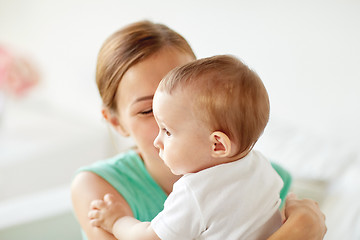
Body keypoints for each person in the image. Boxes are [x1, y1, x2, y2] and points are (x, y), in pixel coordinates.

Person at [71, 20, 327, 240]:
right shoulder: (97, 189)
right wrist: (301, 230)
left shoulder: (269, 176)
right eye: (148, 111)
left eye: (185, 106)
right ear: (116, 122)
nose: (165, 124)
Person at [88, 54, 285, 239]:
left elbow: (148, 237)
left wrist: (116, 220)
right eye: (147, 111)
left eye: (168, 131)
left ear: (217, 145)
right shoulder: (260, 165)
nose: (158, 141)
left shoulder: (195, 192)